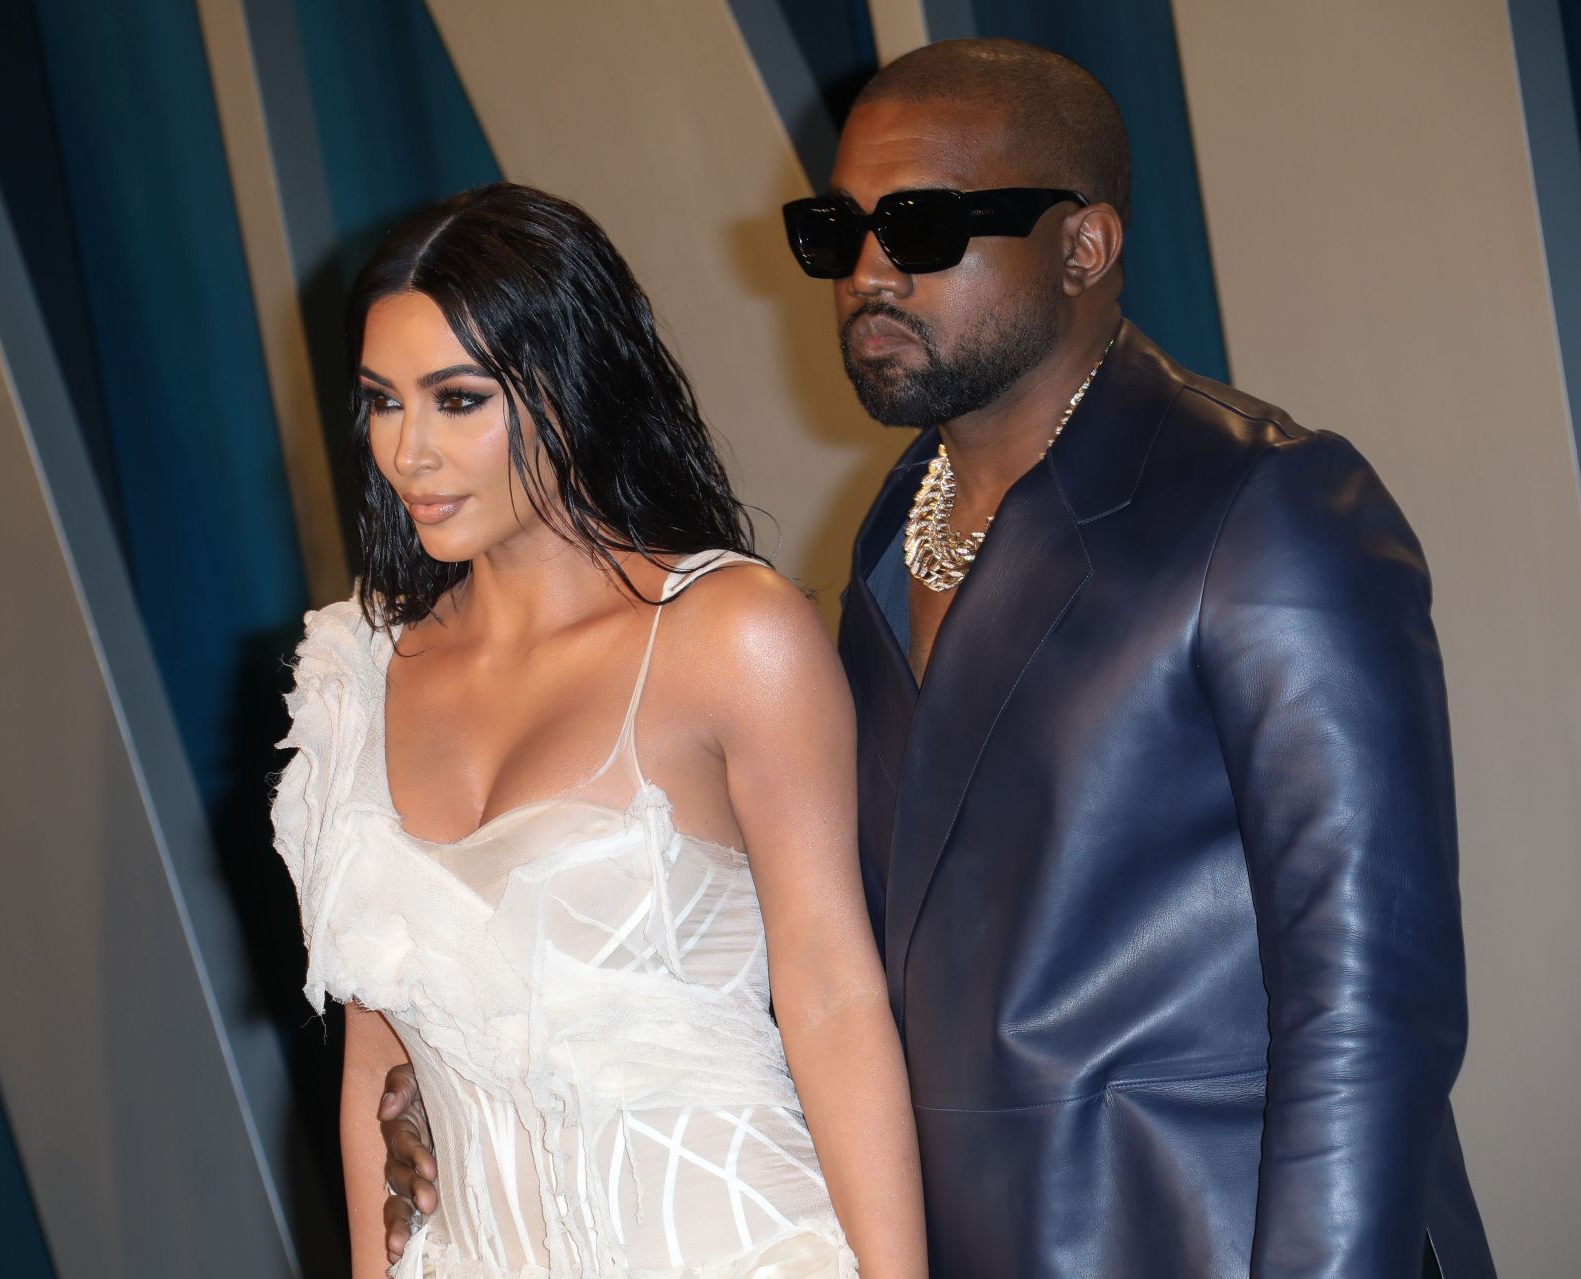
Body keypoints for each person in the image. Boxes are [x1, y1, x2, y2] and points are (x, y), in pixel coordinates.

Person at [382, 39, 1496, 1278]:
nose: (867, 271)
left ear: (1085, 246)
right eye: (836, 232)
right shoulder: (879, 549)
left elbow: (1371, 1010)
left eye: (917, 224)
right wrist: (485, 1091)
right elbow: (820, 968)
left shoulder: (1263, 506)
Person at [272, 182, 926, 1278]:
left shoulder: (731, 634)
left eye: (458, 400)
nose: (408, 453)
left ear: (570, 386)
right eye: (383, 402)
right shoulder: (356, 673)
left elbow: (834, 996)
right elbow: (370, 1066)